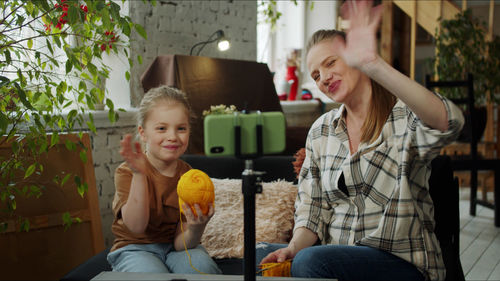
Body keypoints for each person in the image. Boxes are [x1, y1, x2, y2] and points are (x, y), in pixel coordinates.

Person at [257, 1, 464, 281]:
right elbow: (312, 209)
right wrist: (292, 249)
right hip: (335, 257)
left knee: (310, 261)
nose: (324, 78)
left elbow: (450, 122)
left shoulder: (402, 116)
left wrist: (374, 64)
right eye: (316, 75)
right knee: (256, 256)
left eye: (331, 62)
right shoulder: (321, 131)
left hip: (400, 261)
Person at [107, 85, 221, 274]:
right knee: (153, 275)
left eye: (181, 128)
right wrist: (139, 175)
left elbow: (180, 244)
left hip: (174, 249)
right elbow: (136, 227)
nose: (172, 137)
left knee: (203, 267)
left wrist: (196, 228)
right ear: (143, 133)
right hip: (134, 248)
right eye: (161, 128)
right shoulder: (127, 172)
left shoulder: (188, 176)